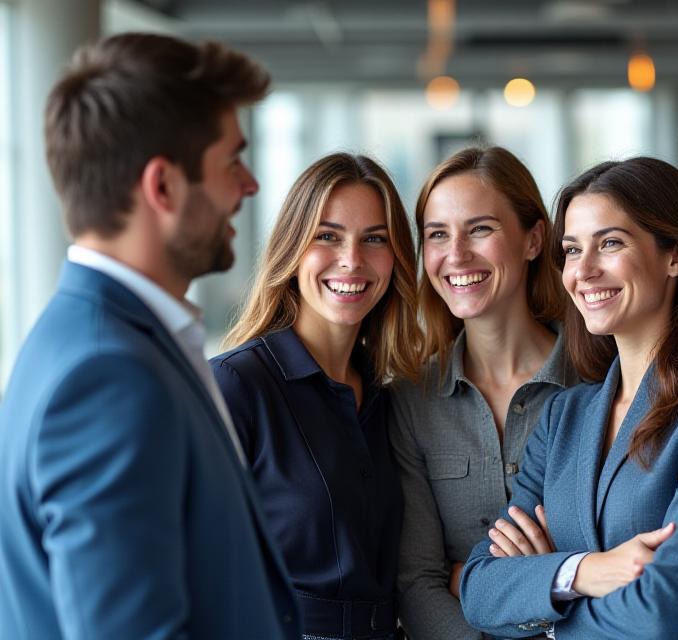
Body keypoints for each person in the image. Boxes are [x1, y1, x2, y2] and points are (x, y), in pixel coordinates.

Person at [0, 33, 300, 638]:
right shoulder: (108, 378)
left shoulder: (89, 340)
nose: (250, 185)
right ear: (162, 187)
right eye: (231, 161)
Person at [459, 157, 678, 639]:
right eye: (573, 250)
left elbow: (666, 608)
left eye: (611, 243)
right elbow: (480, 589)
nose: (585, 270)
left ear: (675, 256)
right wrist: (584, 571)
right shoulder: (565, 415)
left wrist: (551, 620)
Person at [211, 153, 421, 640]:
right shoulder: (235, 386)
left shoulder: (390, 399)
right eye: (327, 236)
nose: (352, 260)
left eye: (374, 239)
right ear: (293, 249)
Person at [389, 146, 578, 639]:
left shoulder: (599, 383)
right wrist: (545, 584)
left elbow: (610, 567)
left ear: (534, 239)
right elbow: (417, 582)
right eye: (437, 235)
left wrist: (472, 582)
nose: (456, 254)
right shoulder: (411, 400)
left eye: (480, 229)